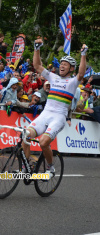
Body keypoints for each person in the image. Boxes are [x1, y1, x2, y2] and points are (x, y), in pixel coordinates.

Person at [22, 38, 87, 178]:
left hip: (58, 117)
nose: (62, 66)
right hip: (45, 114)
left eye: (66, 65)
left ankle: (50, 167)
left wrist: (83, 54)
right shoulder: (53, 77)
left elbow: (81, 73)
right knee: (25, 136)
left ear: (71, 69)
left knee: (43, 142)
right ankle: (25, 166)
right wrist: (36, 48)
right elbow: (37, 65)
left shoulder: (73, 82)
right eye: (61, 64)